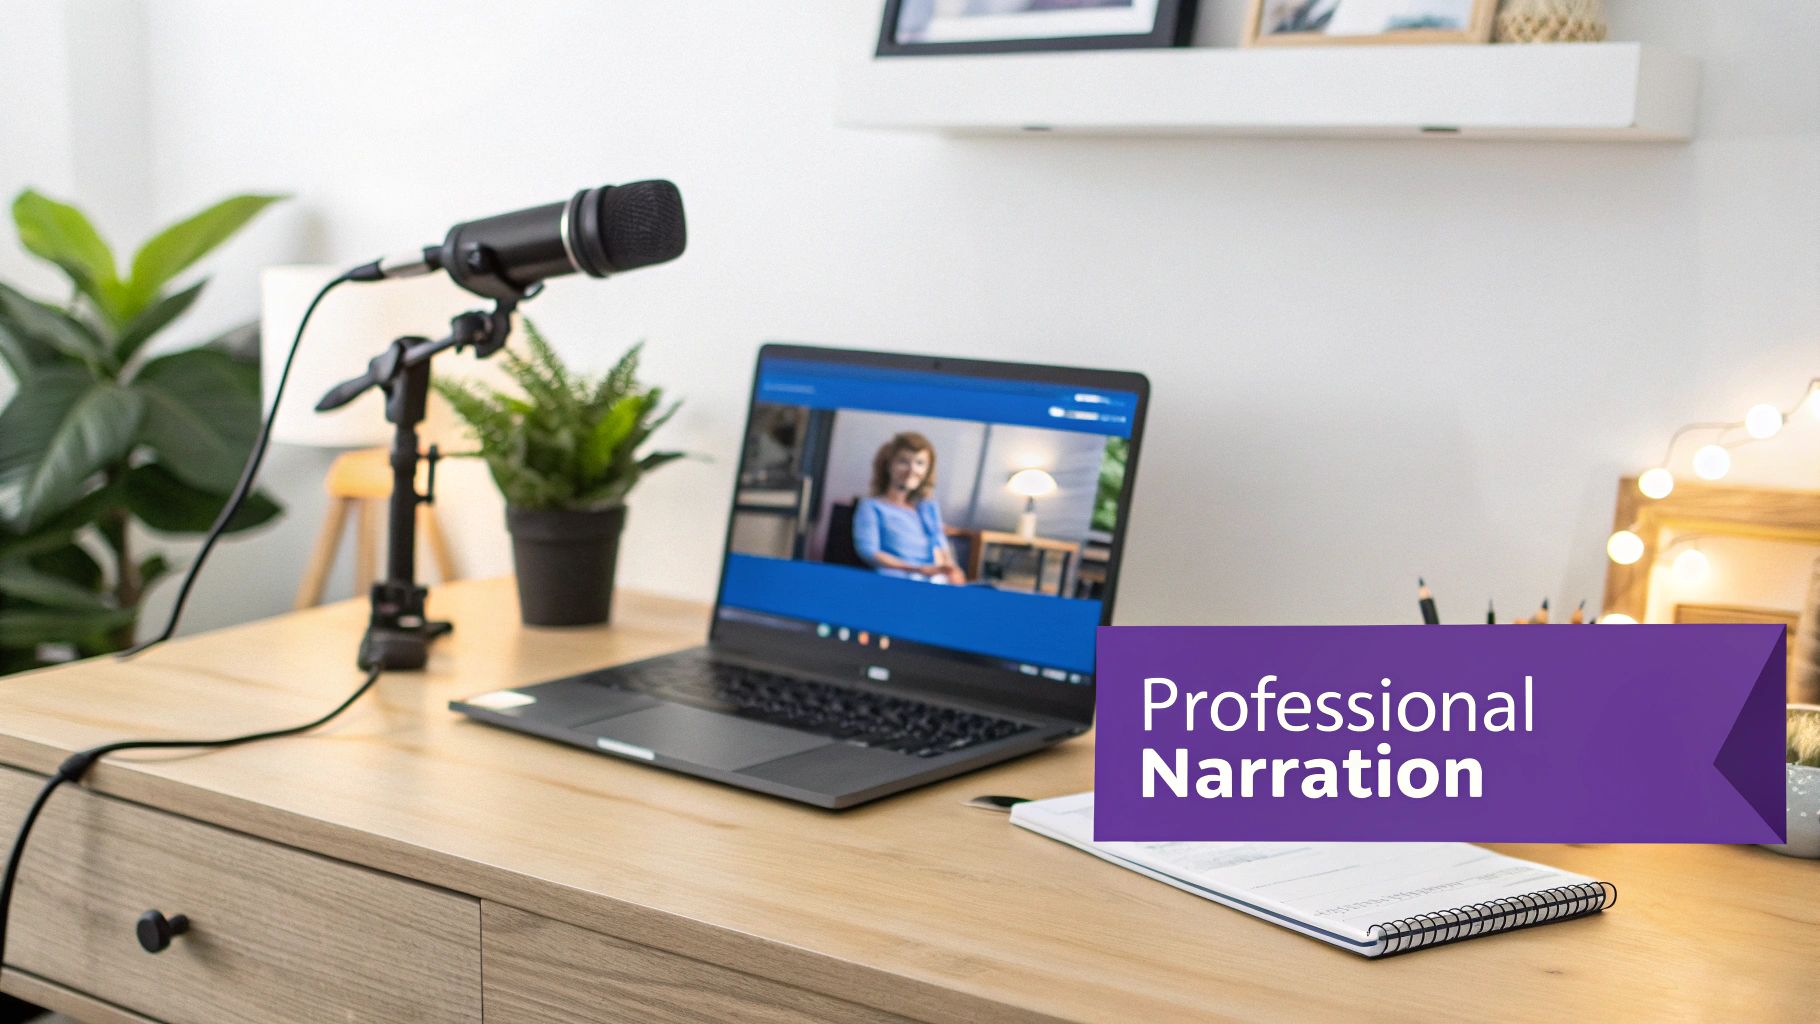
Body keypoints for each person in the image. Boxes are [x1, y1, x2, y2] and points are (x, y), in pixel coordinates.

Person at [852, 432, 966, 584]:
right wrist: (917, 569)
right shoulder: (871, 507)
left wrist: (952, 570)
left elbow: (940, 546)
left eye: (920, 463)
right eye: (903, 461)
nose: (912, 470)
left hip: (934, 581)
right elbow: (869, 552)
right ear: (888, 465)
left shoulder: (927, 508)